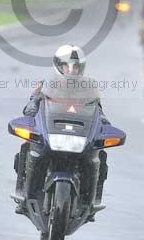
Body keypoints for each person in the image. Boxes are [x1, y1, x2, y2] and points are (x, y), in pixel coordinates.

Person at [13, 44, 110, 213]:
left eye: (76, 66)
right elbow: (32, 104)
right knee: (29, 144)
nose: (72, 70)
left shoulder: (88, 87)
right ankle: (23, 192)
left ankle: (92, 200)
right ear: (59, 66)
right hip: (51, 131)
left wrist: (104, 123)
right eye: (67, 66)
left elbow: (98, 110)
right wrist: (31, 111)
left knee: (99, 152)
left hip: (79, 135)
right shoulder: (45, 84)